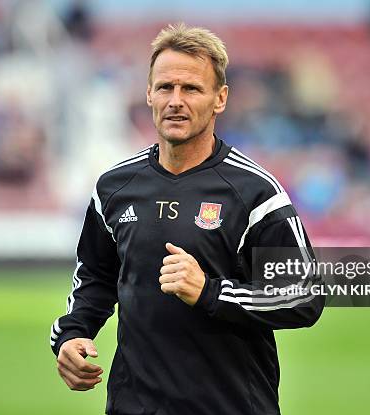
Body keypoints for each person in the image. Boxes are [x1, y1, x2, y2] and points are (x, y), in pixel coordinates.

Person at [50, 23, 324, 415]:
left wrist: (210, 292)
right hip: (133, 406)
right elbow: (95, 276)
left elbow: (304, 295)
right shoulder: (115, 187)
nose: (175, 100)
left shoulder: (255, 193)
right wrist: (73, 335)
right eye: (165, 87)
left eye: (191, 89)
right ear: (148, 94)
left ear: (220, 98)